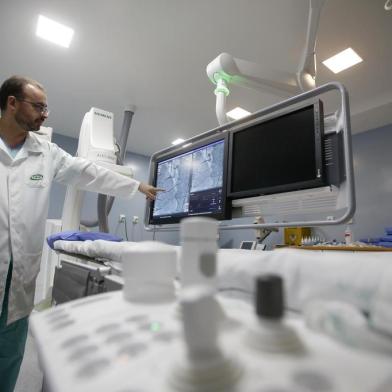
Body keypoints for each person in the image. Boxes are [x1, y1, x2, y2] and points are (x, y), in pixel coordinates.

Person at [0, 75, 161, 391]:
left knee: (9, 358)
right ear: (12, 103)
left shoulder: (46, 153)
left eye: (47, 108)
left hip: (18, 280)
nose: (45, 114)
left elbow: (89, 172)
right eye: (39, 107)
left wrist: (136, 186)